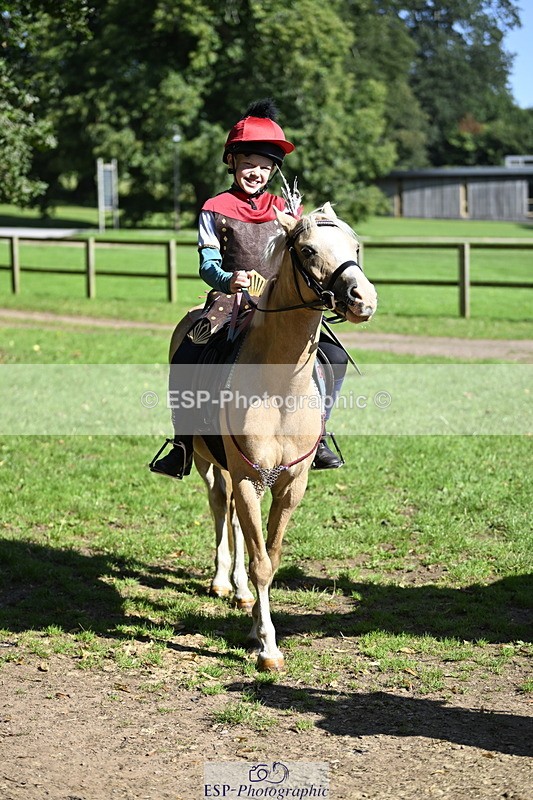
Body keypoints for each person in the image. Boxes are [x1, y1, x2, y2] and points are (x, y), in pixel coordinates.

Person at [150, 99, 347, 479]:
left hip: (282, 306)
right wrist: (228, 279)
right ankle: (182, 443)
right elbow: (208, 264)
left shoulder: (285, 210)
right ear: (232, 162)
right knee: (191, 350)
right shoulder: (214, 207)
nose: (256, 172)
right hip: (230, 301)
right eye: (248, 163)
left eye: (264, 165)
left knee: (335, 357)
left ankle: (318, 435)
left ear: (274, 169)